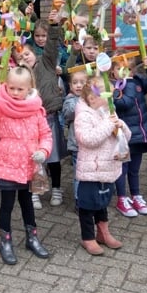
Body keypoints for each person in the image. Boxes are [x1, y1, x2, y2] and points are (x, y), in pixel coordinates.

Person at [0, 66, 51, 265]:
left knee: (27, 203)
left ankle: (32, 237)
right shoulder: (0, 106)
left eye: (20, 89)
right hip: (7, 163)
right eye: (12, 88)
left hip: (29, 165)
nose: (16, 93)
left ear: (29, 88)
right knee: (7, 205)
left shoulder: (36, 110)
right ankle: (6, 241)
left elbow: (45, 134)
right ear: (6, 86)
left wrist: (43, 151)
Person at [17, 8, 65, 209]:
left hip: (49, 117)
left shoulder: (46, 61)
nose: (25, 57)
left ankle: (56, 188)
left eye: (27, 53)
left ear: (34, 53)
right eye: (21, 55)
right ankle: (35, 190)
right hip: (30, 121)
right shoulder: (20, 73)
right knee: (33, 157)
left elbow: (52, 45)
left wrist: (54, 26)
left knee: (52, 156)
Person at [73, 76, 127, 255]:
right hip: (92, 169)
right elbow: (88, 139)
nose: (111, 100)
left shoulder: (107, 111)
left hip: (108, 167)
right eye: (108, 96)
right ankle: (87, 237)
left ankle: (103, 233)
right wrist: (108, 124)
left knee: (103, 202)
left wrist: (121, 126)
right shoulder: (83, 114)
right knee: (88, 205)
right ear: (92, 98)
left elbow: (125, 136)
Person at [112, 56, 147, 217]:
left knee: (134, 169)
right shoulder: (112, 87)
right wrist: (119, 90)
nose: (125, 72)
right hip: (123, 137)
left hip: (139, 134)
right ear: (112, 71)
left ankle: (136, 196)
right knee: (122, 169)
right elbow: (124, 103)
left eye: (128, 68)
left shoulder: (138, 81)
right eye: (119, 68)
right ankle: (122, 198)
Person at [62, 70, 89, 206]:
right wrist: (83, 101)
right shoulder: (70, 100)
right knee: (79, 174)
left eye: (82, 83)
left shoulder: (92, 98)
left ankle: (90, 197)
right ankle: (79, 200)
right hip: (77, 144)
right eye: (75, 83)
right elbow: (69, 114)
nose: (78, 86)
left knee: (90, 172)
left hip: (91, 143)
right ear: (70, 85)